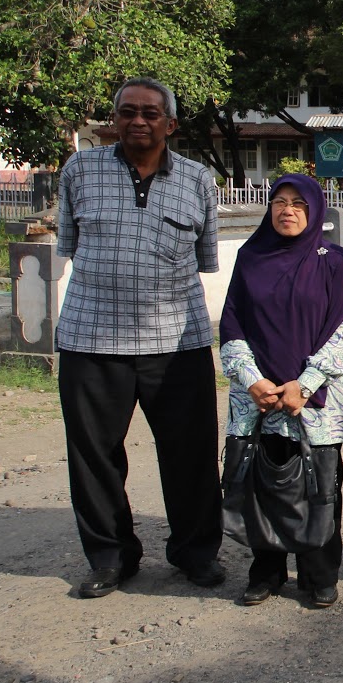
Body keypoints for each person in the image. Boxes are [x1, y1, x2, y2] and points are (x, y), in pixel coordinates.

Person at [56, 78, 225, 598]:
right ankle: (110, 558)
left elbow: (205, 257)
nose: (138, 121)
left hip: (177, 343)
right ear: (114, 120)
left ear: (169, 124)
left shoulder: (197, 179)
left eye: (150, 113)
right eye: (127, 112)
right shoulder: (79, 170)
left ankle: (196, 554)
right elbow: (70, 243)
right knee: (95, 456)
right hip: (91, 339)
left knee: (191, 455)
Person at [218, 175, 343, 608]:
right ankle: (267, 571)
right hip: (259, 398)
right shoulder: (251, 258)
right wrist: (252, 379)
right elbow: (232, 323)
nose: (288, 210)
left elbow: (342, 333)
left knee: (319, 485)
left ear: (314, 210)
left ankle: (319, 574)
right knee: (261, 483)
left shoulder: (335, 262)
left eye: (299, 203)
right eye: (279, 202)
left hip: (313, 400)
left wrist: (305, 384)